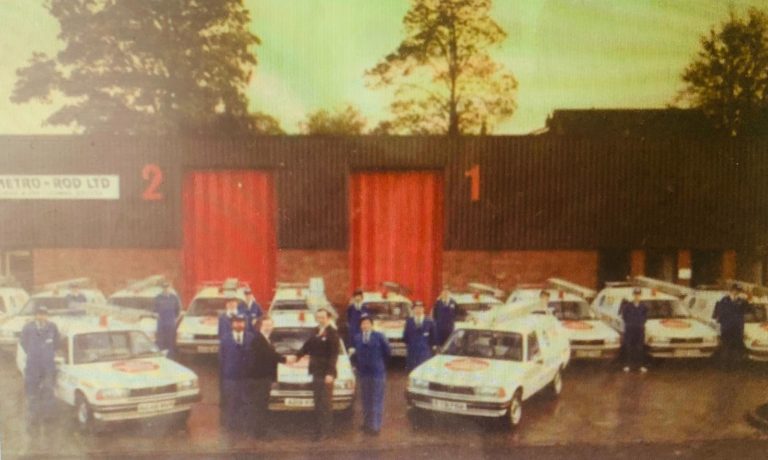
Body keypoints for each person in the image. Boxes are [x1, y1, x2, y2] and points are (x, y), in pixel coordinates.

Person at [296, 307, 340, 441]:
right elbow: (307, 346)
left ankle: (325, 432)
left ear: (328, 318)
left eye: (323, 317)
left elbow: (334, 355)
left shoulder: (333, 334)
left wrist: (330, 373)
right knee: (318, 402)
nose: (320, 319)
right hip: (316, 372)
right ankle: (319, 428)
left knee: (325, 404)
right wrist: (296, 357)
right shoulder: (315, 331)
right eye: (318, 317)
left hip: (325, 374)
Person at [250, 316, 295, 438]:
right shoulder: (258, 340)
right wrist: (285, 359)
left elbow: (270, 355)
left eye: (270, 325)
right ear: (260, 326)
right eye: (266, 325)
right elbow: (268, 356)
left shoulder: (266, 339)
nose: (268, 328)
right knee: (260, 406)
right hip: (260, 378)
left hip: (264, 377)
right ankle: (259, 434)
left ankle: (261, 431)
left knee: (263, 405)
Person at [20, 306, 60, 435]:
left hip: (48, 365)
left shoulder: (52, 327)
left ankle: (48, 416)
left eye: (44, 314)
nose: (41, 316)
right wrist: (33, 353)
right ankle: (34, 416)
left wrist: (48, 354)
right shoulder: (28, 327)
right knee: (33, 391)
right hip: (33, 365)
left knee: (48, 389)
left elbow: (57, 343)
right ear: (35, 315)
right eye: (39, 314)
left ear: (47, 315)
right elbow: (23, 343)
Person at [351, 315, 390, 435]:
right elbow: (355, 355)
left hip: (377, 373)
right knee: (366, 399)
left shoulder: (379, 336)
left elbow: (387, 352)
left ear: (372, 325)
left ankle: (376, 426)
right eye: (363, 324)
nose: (365, 326)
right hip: (363, 373)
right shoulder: (357, 337)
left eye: (367, 323)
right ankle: (367, 424)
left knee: (376, 399)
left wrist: (380, 365)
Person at [219, 314, 255, 434]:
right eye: (236, 322)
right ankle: (231, 428)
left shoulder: (251, 338)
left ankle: (246, 428)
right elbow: (221, 359)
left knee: (246, 403)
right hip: (230, 378)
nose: (239, 324)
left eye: (241, 322)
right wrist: (223, 378)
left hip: (246, 377)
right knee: (231, 403)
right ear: (232, 324)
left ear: (244, 324)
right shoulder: (225, 339)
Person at [713, 283, 747, 367]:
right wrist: (720, 322)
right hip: (727, 327)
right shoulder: (724, 300)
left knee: (736, 347)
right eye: (735, 290)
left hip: (737, 328)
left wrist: (747, 300)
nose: (736, 292)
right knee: (726, 347)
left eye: (738, 291)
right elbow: (718, 313)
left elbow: (747, 310)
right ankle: (725, 365)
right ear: (731, 291)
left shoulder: (742, 301)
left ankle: (735, 366)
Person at [218, 296, 241, 408]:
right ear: (226, 305)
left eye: (234, 303)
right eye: (229, 303)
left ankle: (238, 400)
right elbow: (220, 334)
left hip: (239, 350)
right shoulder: (222, 317)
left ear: (237, 304)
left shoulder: (242, 316)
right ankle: (225, 400)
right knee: (225, 376)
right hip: (227, 350)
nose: (232, 305)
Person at [619, 287, 648, 373]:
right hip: (630, 329)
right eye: (635, 295)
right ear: (633, 295)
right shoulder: (628, 306)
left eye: (638, 295)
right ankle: (627, 365)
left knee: (640, 348)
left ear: (640, 295)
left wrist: (641, 323)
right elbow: (624, 316)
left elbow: (646, 316)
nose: (637, 296)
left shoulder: (644, 306)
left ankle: (640, 366)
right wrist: (629, 323)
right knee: (629, 347)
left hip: (639, 329)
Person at [402, 301, 436, 371]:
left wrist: (429, 348)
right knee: (412, 372)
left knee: (425, 371)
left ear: (423, 309)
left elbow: (433, 337)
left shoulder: (429, 321)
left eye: (420, 308)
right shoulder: (409, 321)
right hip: (412, 352)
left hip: (425, 352)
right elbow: (405, 337)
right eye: (416, 308)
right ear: (413, 310)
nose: (418, 310)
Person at [154, 281, 181, 358]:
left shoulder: (174, 298)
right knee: (160, 341)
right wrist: (157, 315)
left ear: (170, 288)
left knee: (171, 341)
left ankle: (171, 357)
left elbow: (178, 310)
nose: (166, 289)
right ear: (162, 288)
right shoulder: (158, 298)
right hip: (161, 323)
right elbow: (154, 310)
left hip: (170, 322)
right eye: (164, 287)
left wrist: (174, 319)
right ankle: (161, 356)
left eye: (167, 287)